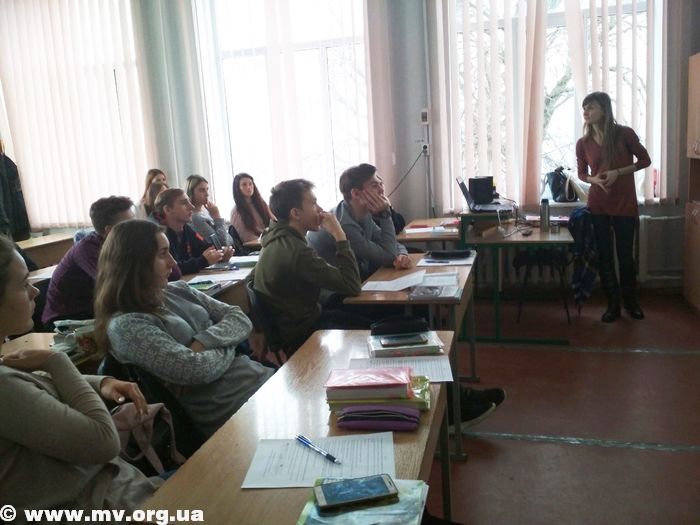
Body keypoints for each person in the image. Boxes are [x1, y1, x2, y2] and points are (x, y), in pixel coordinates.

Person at [0, 235, 162, 513]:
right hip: (104, 506)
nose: (35, 292)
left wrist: (100, 382)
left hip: (115, 492)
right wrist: (57, 361)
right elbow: (104, 441)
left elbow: (32, 389)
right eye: (24, 284)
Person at [94, 219, 273, 438]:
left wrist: (202, 343)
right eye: (163, 254)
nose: (173, 262)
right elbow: (199, 370)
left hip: (259, 380)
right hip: (231, 410)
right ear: (134, 263)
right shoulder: (126, 327)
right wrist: (230, 343)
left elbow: (240, 318)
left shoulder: (178, 289)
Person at [252, 179, 367, 350]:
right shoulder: (296, 251)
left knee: (362, 312)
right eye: (313, 204)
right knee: (374, 329)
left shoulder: (274, 237)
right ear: (296, 213)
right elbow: (352, 285)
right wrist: (339, 234)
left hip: (298, 323)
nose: (320, 209)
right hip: (305, 331)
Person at [576, 91, 651, 322]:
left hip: (624, 203)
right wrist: (594, 180)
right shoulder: (583, 143)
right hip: (598, 203)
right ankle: (613, 305)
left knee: (625, 256)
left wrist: (618, 172)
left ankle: (631, 302)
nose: (586, 112)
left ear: (604, 110)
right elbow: (581, 174)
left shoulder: (624, 134)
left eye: (591, 107)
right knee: (605, 256)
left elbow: (645, 160)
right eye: (584, 108)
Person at [43, 196, 135, 329]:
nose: (136, 227)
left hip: (93, 313)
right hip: (66, 320)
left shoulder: (119, 245)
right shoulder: (87, 250)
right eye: (129, 224)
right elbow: (115, 288)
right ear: (110, 230)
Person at [308, 163, 410, 280]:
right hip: (338, 288)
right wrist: (385, 214)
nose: (382, 190)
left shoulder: (363, 214)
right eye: (374, 185)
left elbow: (390, 244)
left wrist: (402, 254)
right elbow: (389, 255)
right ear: (356, 193)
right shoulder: (344, 225)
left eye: (381, 184)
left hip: (356, 276)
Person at [153, 188, 232, 275]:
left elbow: (205, 248)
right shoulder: (158, 234)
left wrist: (220, 255)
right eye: (184, 203)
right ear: (167, 209)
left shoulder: (186, 228)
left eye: (190, 202)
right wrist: (203, 261)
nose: (192, 207)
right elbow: (173, 269)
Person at [186, 174, 232, 247]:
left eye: (207, 189)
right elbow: (223, 242)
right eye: (202, 190)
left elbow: (229, 239)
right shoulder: (196, 218)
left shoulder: (206, 211)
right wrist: (217, 217)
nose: (207, 194)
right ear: (191, 192)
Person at [230, 173, 273, 243]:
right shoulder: (236, 211)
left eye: (250, 184)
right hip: (255, 246)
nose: (248, 187)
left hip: (269, 240)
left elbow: (274, 222)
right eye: (244, 185)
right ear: (237, 188)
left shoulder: (261, 203)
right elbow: (247, 238)